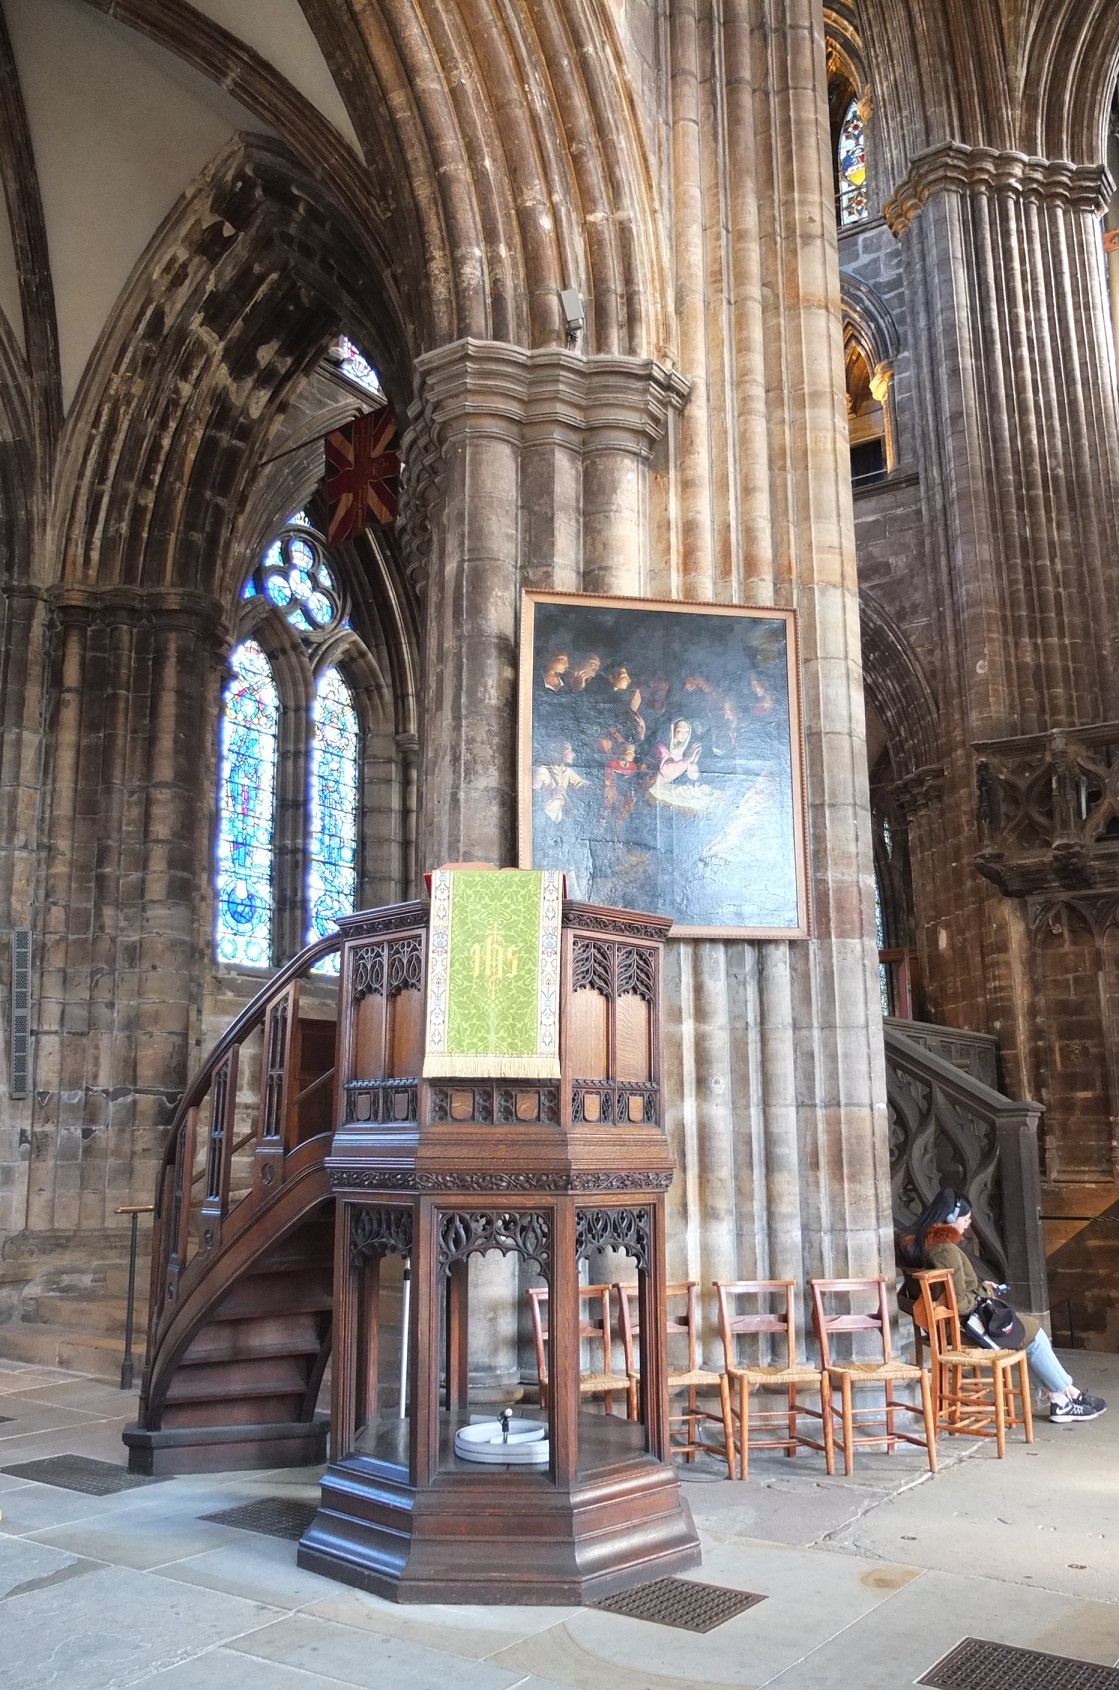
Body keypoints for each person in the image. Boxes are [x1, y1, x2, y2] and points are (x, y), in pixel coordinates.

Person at [900, 1188, 1106, 1426]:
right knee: (1032, 1333)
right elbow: (958, 1303)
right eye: (965, 1219)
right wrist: (985, 1293)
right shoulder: (945, 1250)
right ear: (949, 1218)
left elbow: (944, 1292)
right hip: (962, 1329)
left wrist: (979, 1287)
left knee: (1028, 1333)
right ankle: (1063, 1398)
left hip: (946, 1326)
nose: (968, 1224)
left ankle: (1065, 1395)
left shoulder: (917, 1244)